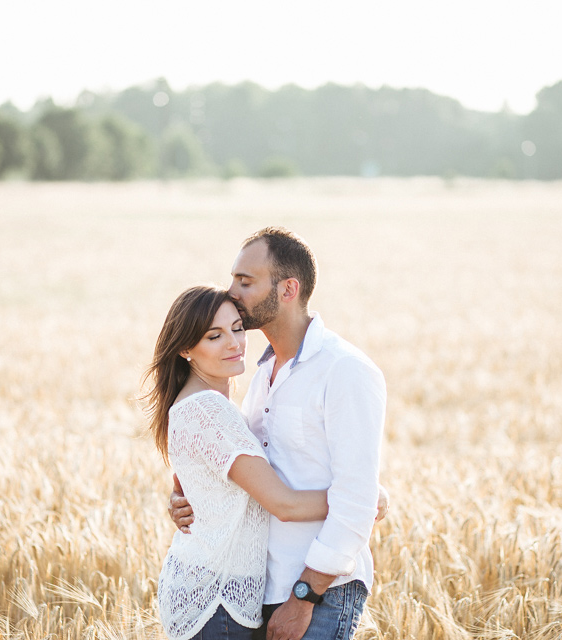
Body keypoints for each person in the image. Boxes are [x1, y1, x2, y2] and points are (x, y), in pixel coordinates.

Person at [169, 227, 387, 640]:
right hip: (256, 591)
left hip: (320, 592)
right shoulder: (261, 375)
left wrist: (304, 596)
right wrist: (188, 497)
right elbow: (242, 468)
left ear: (288, 289)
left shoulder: (344, 371)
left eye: (245, 282)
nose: (231, 292)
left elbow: (354, 497)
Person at [143, 284, 336, 640]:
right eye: (214, 336)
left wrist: (181, 504)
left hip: (204, 588)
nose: (234, 343)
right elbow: (283, 504)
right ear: (186, 348)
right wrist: (360, 500)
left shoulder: (198, 403)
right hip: (216, 600)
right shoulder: (209, 410)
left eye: (237, 329)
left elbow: (199, 492)